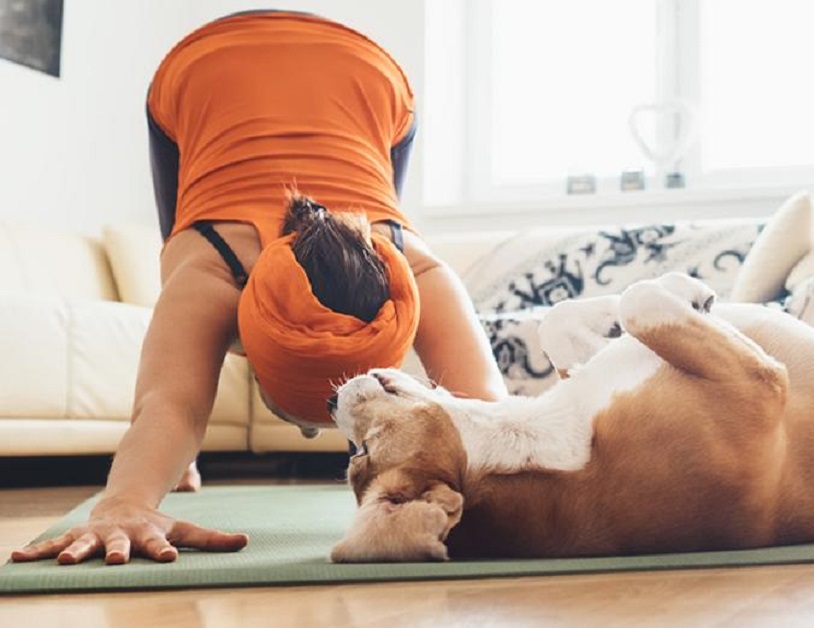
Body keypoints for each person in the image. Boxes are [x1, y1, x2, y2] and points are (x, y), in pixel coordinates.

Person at [11, 10, 506, 566]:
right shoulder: (212, 268)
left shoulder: (412, 272)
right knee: (179, 255)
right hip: (201, 69)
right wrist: (124, 501)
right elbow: (170, 406)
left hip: (369, 79)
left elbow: (490, 417)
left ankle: (173, 459)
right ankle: (170, 460)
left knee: (186, 288)